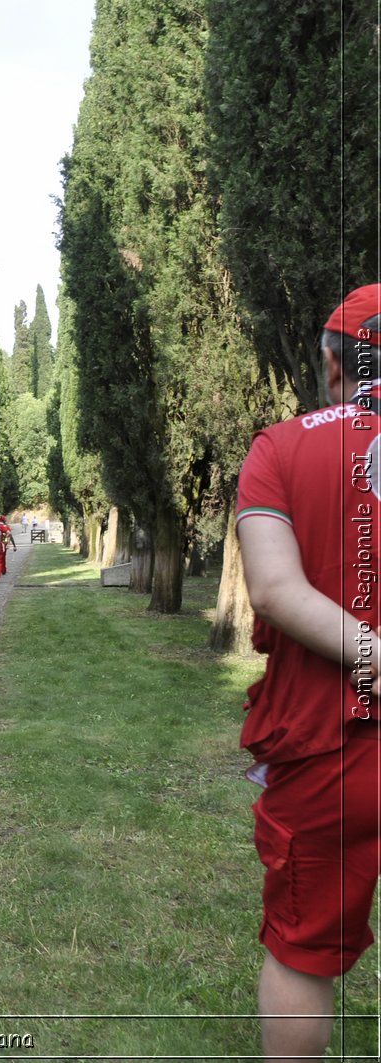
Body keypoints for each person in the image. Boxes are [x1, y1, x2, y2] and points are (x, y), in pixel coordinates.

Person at [235, 283, 381, 1063]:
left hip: (331, 743)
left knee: (303, 947)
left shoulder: (281, 448)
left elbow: (275, 588)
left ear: (333, 362)